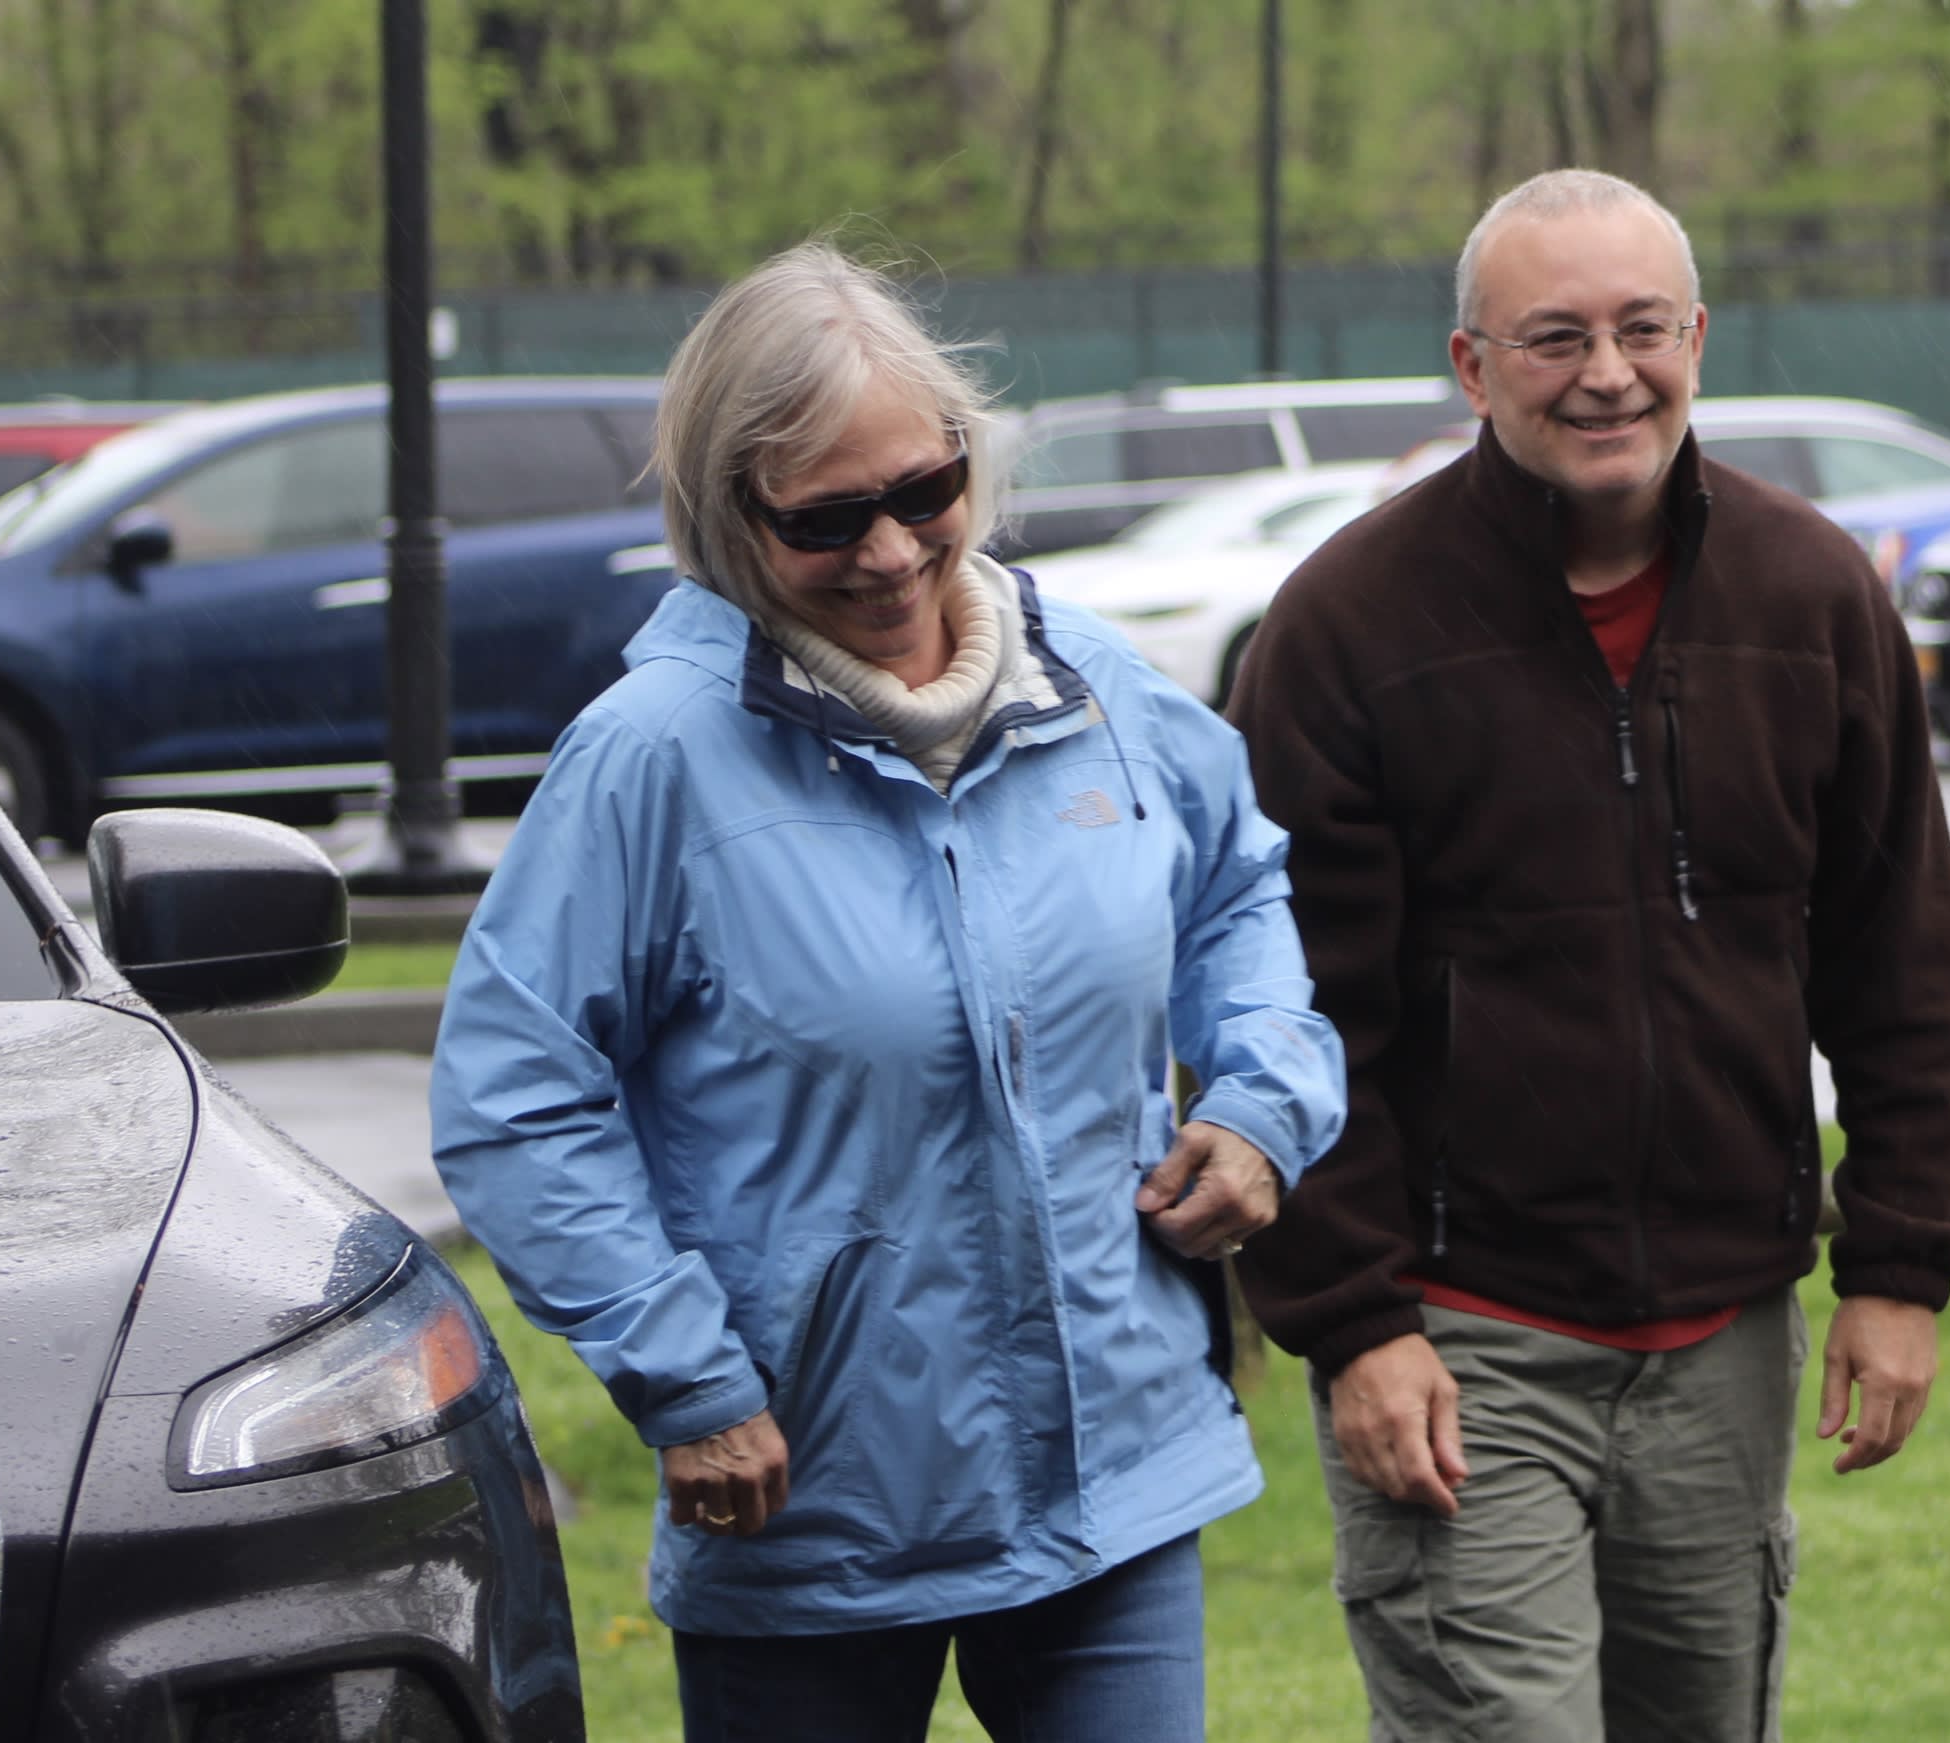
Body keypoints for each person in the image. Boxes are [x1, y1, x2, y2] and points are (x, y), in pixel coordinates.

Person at [429, 240, 1345, 1743]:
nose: (893, 552)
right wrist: (681, 1373)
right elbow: (515, 1099)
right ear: (728, 515)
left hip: (1115, 1471)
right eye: (828, 518)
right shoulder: (653, 757)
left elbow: (1239, 895)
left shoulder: (1099, 687)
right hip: (809, 1506)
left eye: (926, 492)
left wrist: (1259, 1105)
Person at [1228, 169, 1950, 1741]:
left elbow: (1895, 954)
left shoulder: (1812, 596)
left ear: (1698, 337)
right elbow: (1288, 1017)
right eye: (1554, 336)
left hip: (1725, 1338)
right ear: (1470, 365)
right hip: (1462, 1336)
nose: (1606, 373)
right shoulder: (1351, 629)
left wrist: (1900, 1266)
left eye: (1643, 328)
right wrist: (1357, 1322)